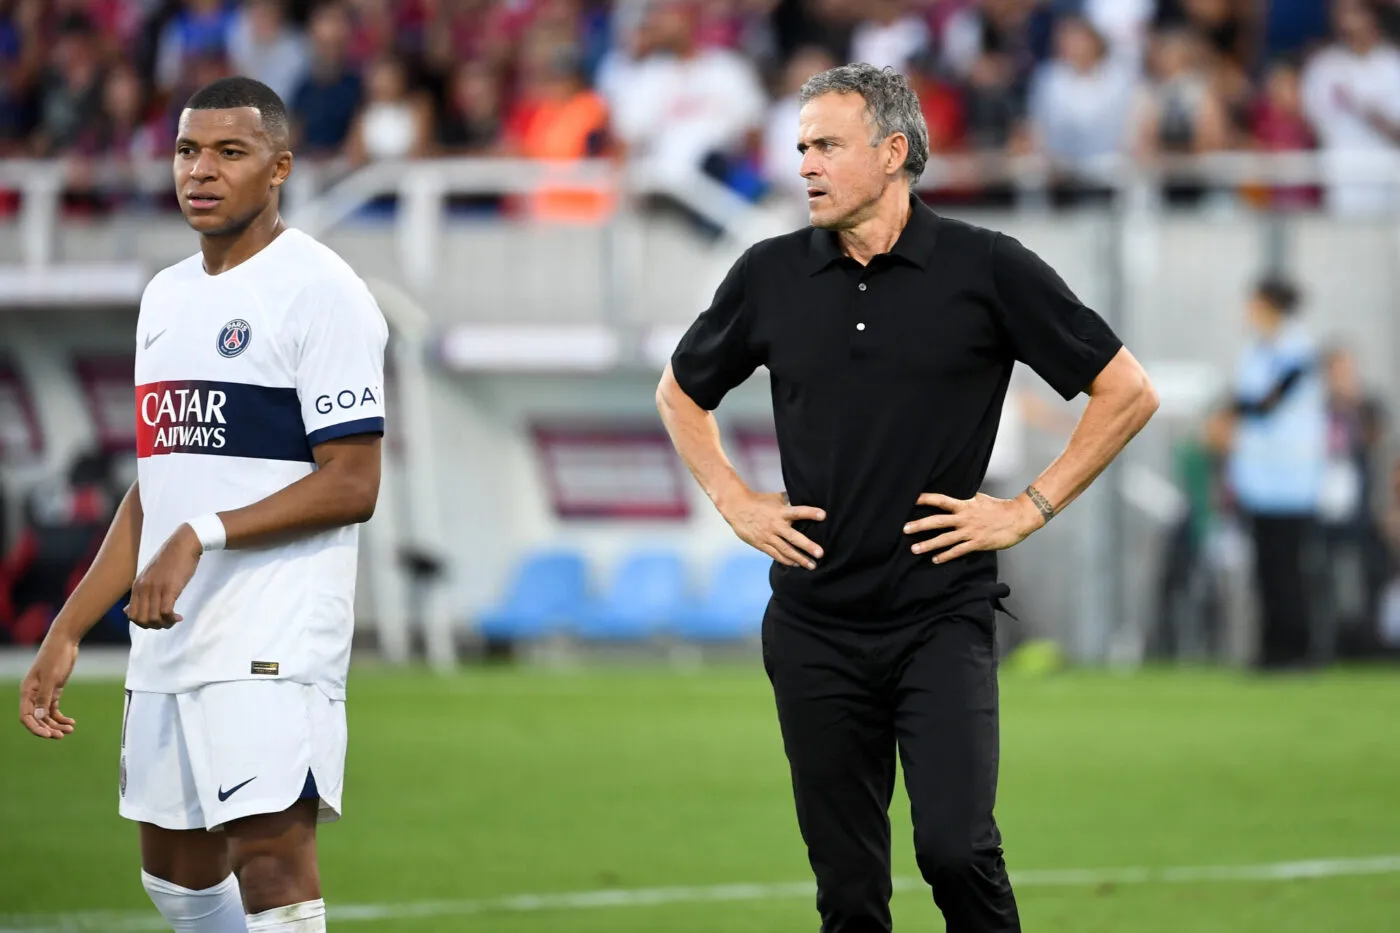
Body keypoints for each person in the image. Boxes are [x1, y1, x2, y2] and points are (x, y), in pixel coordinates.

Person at [656, 63, 1158, 933]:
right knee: (849, 893)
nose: (805, 164)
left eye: (827, 145)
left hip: (941, 614)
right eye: (801, 146)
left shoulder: (987, 267)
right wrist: (735, 500)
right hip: (813, 626)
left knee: (956, 850)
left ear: (894, 152)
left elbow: (1128, 390)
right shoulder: (768, 273)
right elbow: (679, 391)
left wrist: (1027, 507)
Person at [18, 76, 388, 933]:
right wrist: (68, 626)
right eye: (189, 150)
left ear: (280, 168)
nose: (202, 170)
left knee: (271, 864)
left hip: (273, 631)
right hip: (170, 631)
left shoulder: (320, 289)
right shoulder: (167, 296)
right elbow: (160, 485)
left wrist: (204, 535)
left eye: (231, 151)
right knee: (178, 881)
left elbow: (352, 482)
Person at [1218, 276, 1327, 669]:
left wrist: (1229, 410)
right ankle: (1271, 648)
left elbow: (1268, 402)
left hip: (1293, 478)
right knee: (1265, 569)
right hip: (1260, 478)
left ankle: (1297, 647)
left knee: (1289, 569)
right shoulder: (1254, 350)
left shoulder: (1298, 349)